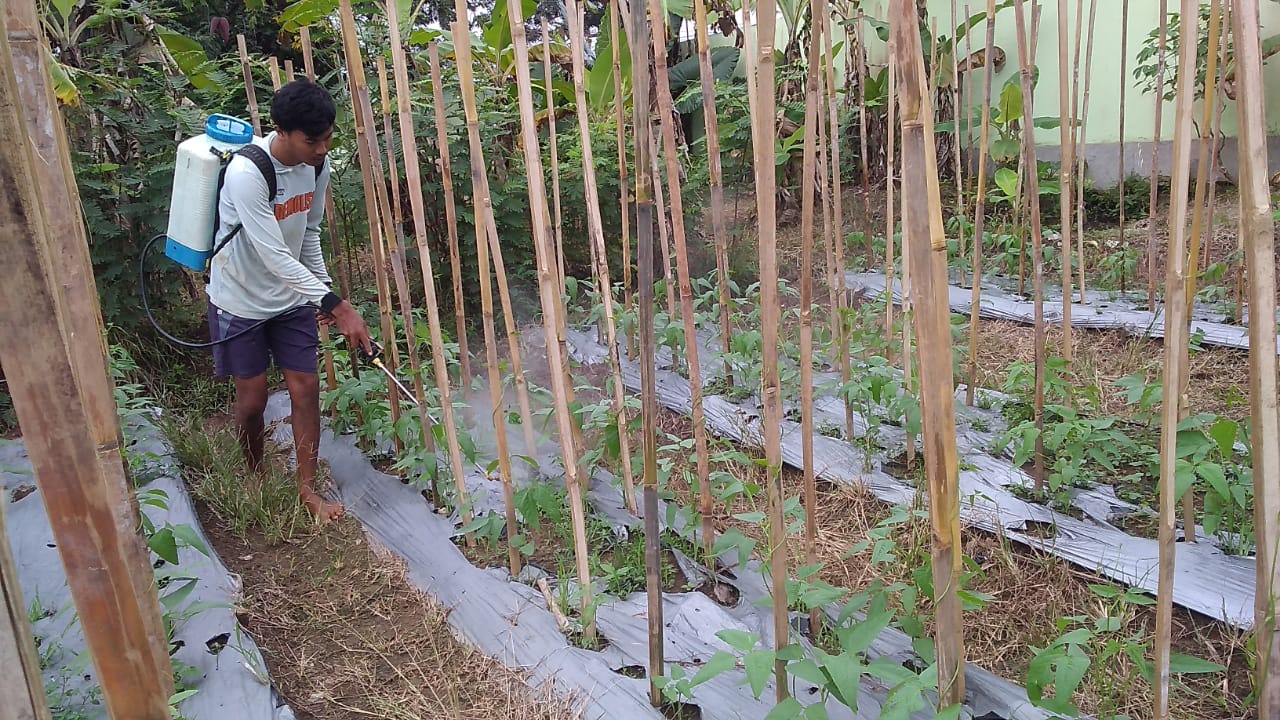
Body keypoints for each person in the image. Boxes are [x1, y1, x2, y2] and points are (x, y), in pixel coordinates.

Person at [207, 79, 372, 524]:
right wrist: (338, 305)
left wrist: (321, 291)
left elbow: (308, 235)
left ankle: (306, 489)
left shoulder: (317, 168)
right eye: (312, 140)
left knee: (306, 388)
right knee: (253, 401)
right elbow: (274, 254)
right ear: (281, 131)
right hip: (239, 298)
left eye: (328, 138)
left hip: (291, 298)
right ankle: (255, 471)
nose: (322, 149)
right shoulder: (247, 174)